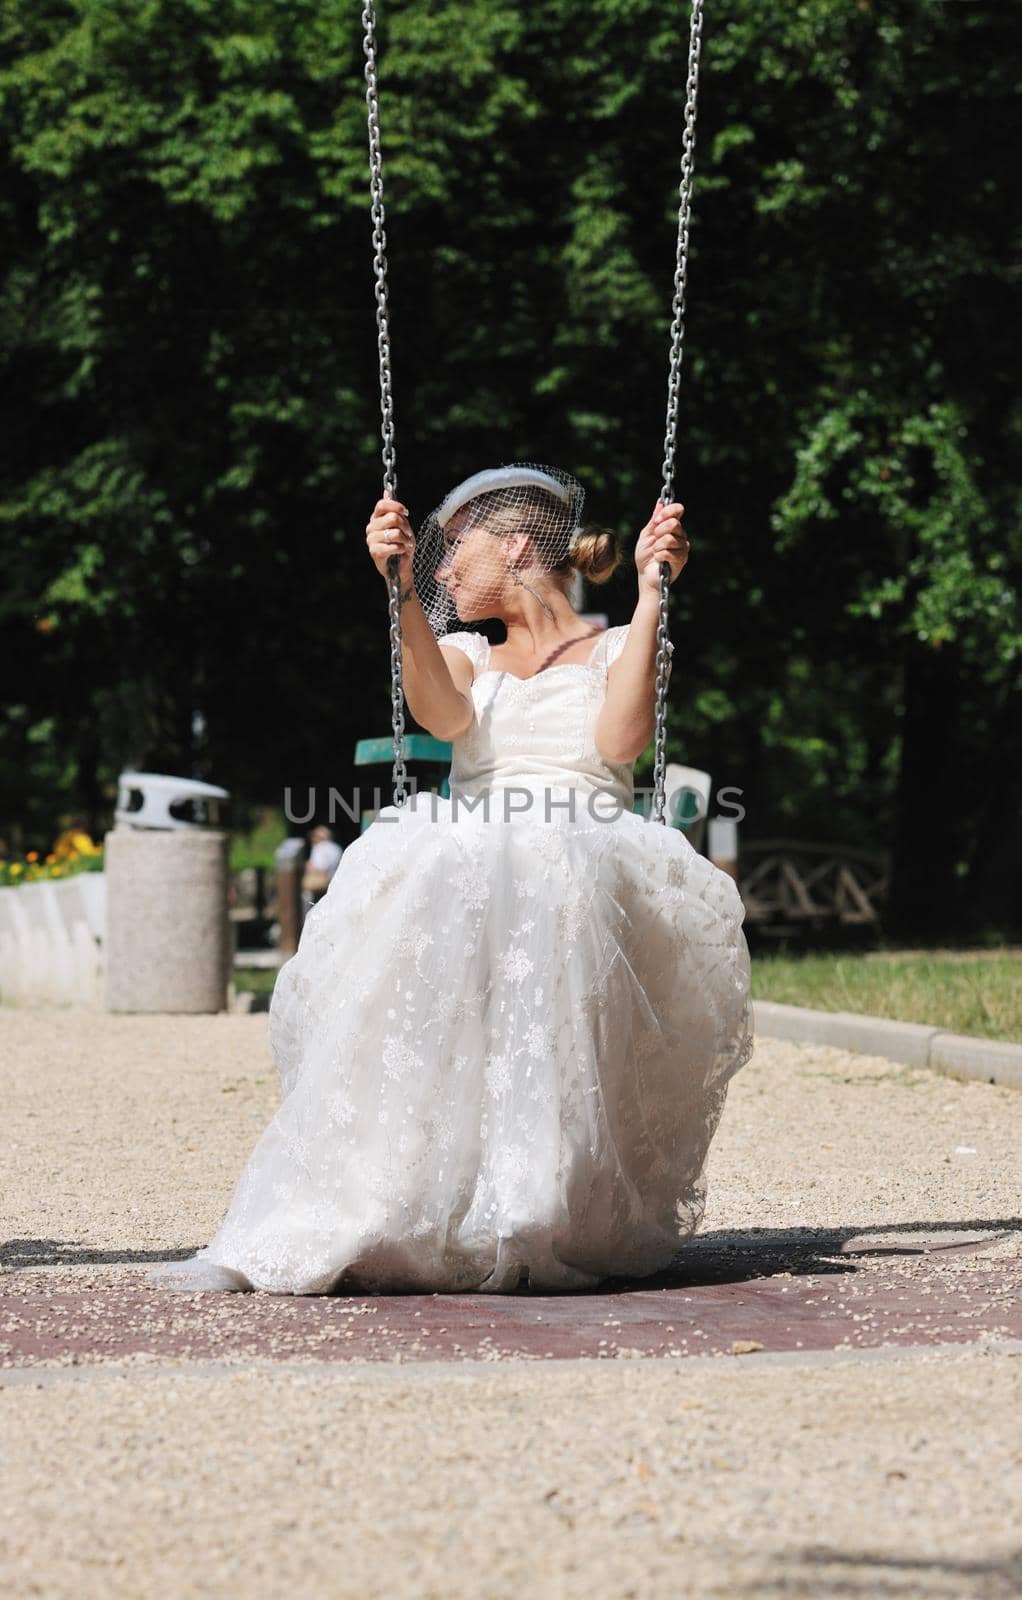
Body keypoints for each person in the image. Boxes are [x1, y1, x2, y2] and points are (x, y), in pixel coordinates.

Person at [147, 464, 753, 1296]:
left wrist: (653, 593)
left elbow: (618, 744)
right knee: (444, 855)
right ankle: (346, 1205)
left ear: (514, 547)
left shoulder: (618, 644)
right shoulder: (466, 653)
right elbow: (444, 719)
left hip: (585, 837)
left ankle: (535, 1200)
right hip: (472, 838)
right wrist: (398, 595)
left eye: (450, 551)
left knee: (545, 856)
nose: (438, 571)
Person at [301, 825, 343, 917]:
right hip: (334, 883)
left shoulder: (319, 848)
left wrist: (308, 866)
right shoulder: (337, 848)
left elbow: (319, 867)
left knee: (313, 911)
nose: (312, 839)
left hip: (319, 885)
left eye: (314, 836)